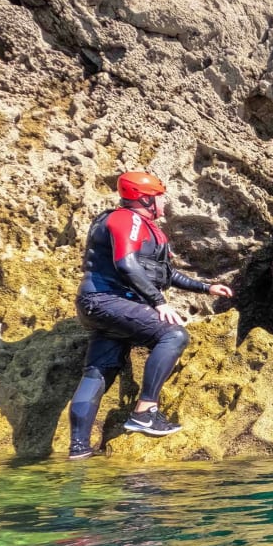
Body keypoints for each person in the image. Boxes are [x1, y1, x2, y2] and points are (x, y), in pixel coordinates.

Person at [67, 172, 234, 459]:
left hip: (105, 309)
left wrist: (206, 288)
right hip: (106, 301)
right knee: (173, 334)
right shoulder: (126, 219)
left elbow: (166, 274)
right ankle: (145, 411)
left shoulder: (146, 228)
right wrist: (158, 303)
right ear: (144, 198)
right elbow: (126, 265)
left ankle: (79, 449)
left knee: (99, 372)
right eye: (160, 197)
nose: (165, 203)